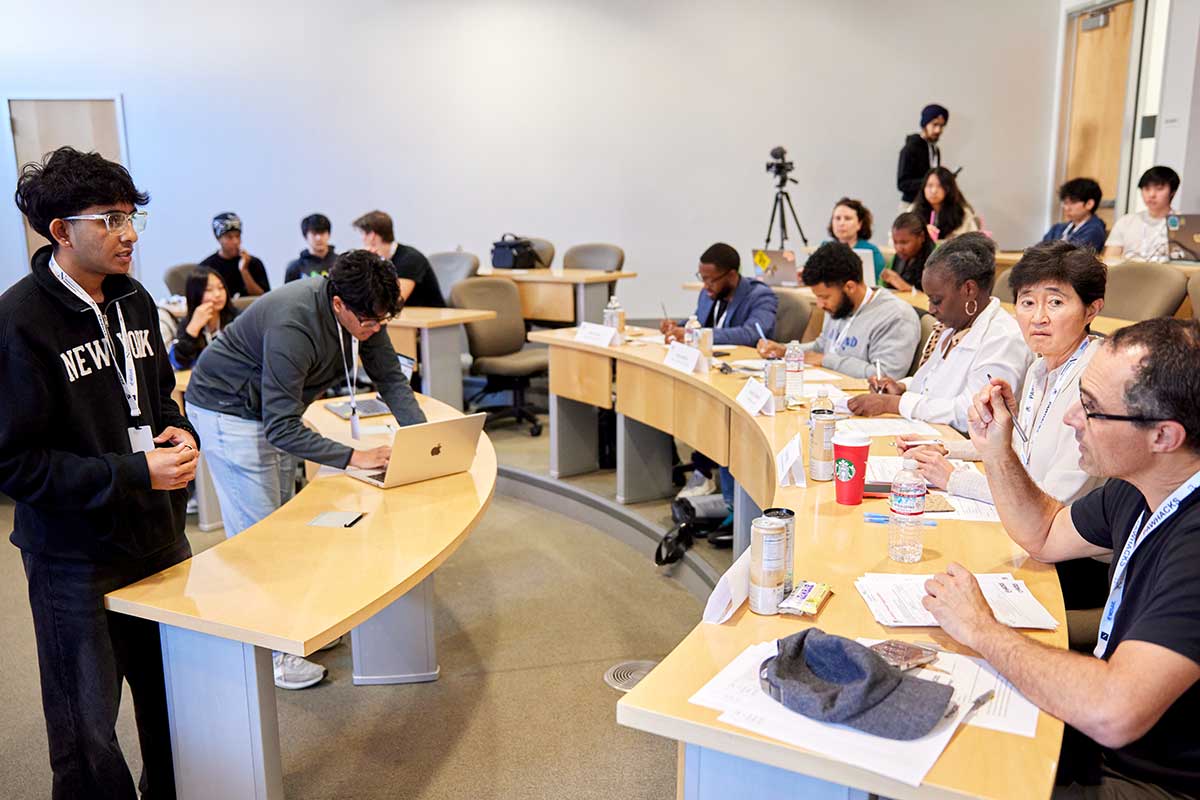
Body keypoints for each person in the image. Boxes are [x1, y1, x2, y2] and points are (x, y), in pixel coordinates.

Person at [923, 318, 1200, 798]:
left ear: (1164, 436)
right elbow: (1046, 533)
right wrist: (996, 452)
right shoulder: (1139, 486)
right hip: (1101, 739)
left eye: (1092, 409)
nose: (1072, 416)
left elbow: (1116, 710)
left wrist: (982, 630)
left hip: (1151, 780)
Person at [1, 147, 199, 799]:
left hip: (160, 539)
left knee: (177, 706)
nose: (130, 233)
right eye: (111, 218)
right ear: (62, 231)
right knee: (88, 732)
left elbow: (160, 396)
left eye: (133, 215)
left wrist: (180, 430)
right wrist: (134, 471)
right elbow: (15, 465)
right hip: (74, 558)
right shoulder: (19, 322)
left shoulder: (137, 301)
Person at [185, 249, 425, 690]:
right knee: (261, 539)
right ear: (339, 306)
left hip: (271, 410)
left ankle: (295, 627)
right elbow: (279, 428)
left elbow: (390, 378)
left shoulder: (364, 308)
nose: (375, 331)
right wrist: (354, 456)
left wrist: (424, 442)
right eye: (370, 323)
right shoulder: (294, 322)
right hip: (228, 410)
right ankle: (278, 655)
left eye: (382, 322)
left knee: (285, 526)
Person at [900, 241, 1110, 611]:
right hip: (1030, 533)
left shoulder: (1095, 381)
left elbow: (1051, 503)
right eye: (1028, 303)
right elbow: (1021, 452)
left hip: (1072, 562)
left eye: (1056, 303)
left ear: (1092, 309)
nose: (1038, 317)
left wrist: (954, 478)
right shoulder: (1042, 366)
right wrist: (947, 448)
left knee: (939, 583)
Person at [848, 233, 1030, 433]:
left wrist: (893, 404)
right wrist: (903, 388)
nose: (931, 309)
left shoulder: (1005, 339)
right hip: (932, 437)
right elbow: (936, 385)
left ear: (969, 289)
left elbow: (973, 412)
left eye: (936, 300)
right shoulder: (955, 325)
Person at [756, 242, 920, 379]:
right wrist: (787, 351)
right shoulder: (840, 307)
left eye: (825, 297)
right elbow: (822, 346)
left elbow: (883, 376)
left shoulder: (896, 316)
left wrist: (826, 361)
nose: (820, 305)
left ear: (850, 287)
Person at [661, 242, 778, 347]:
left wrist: (698, 335)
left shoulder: (761, 296)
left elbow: (751, 335)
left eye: (710, 280)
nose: (705, 286)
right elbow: (700, 321)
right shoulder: (708, 293)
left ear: (732, 275)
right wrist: (677, 327)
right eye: (703, 279)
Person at [353, 210, 444, 307]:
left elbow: (395, 300)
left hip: (431, 318)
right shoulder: (379, 260)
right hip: (404, 317)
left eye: (363, 233)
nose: (362, 238)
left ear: (372, 235)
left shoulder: (411, 258)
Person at [1104, 166, 1181, 263]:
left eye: (1159, 189)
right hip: (1128, 274)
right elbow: (1109, 259)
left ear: (1172, 192)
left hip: (1165, 276)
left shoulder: (1183, 224)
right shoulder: (1126, 221)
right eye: (1147, 189)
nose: (1151, 195)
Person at [169, 267, 238, 370]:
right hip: (202, 381)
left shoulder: (237, 319)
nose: (218, 294)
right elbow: (180, 363)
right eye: (209, 290)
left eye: (221, 287)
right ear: (195, 294)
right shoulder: (187, 323)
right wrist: (193, 330)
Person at [200, 211, 269, 297]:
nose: (236, 241)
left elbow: (263, 298)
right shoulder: (206, 267)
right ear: (218, 238)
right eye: (229, 237)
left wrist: (244, 271)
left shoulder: (254, 263)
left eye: (238, 236)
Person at [910, 166, 979, 243]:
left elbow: (974, 241)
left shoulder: (962, 213)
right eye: (929, 185)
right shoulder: (913, 210)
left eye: (939, 186)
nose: (934, 191)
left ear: (949, 189)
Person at [825, 197, 886, 283]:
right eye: (837, 218)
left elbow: (879, 283)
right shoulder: (825, 247)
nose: (841, 223)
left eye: (847, 218)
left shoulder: (871, 251)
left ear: (859, 224)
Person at [897, 103, 948, 205]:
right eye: (934, 124)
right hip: (911, 205)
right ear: (925, 124)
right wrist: (930, 182)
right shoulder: (910, 149)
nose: (938, 130)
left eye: (941, 126)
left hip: (929, 205)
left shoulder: (935, 150)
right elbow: (902, 184)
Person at [1042, 178, 1108, 252]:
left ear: (1089, 204)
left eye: (1073, 202)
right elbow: (1037, 251)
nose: (1066, 208)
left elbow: (1072, 257)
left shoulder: (1094, 231)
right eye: (1065, 203)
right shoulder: (1057, 228)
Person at [880, 211, 936, 292]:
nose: (899, 248)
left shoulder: (936, 260)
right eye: (895, 242)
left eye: (904, 242)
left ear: (922, 237)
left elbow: (935, 298)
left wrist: (906, 288)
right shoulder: (897, 258)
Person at [284, 213, 338, 282]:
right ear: (305, 236)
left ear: (328, 234)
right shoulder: (294, 268)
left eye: (322, 233)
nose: (319, 238)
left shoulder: (340, 263)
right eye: (314, 233)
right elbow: (289, 292)